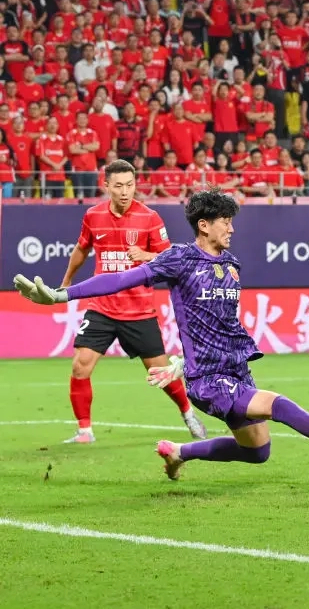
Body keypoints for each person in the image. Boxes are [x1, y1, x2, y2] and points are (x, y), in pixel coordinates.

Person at [15, 190, 309, 480]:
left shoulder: (230, 263)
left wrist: (181, 361)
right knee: (279, 406)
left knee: (258, 452)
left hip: (236, 370)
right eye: (225, 221)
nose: (232, 228)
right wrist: (61, 295)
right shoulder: (180, 258)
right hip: (209, 382)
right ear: (204, 225)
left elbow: (218, 323)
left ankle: (178, 452)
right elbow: (120, 279)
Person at [56, 160, 206, 444]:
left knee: (159, 372)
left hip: (138, 310)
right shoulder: (93, 215)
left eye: (129, 185)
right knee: (80, 365)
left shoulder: (150, 217)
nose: (125, 191)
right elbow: (81, 249)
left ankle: (187, 412)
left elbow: (169, 258)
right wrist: (66, 282)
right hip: (101, 307)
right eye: (118, 186)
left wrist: (146, 256)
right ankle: (85, 431)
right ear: (106, 186)